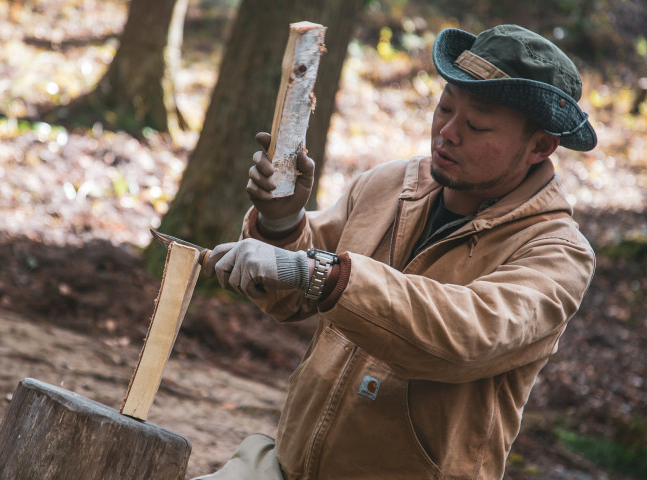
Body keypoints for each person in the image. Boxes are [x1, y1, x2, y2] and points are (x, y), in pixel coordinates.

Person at [195, 24, 597, 479]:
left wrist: (315, 273)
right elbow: (291, 297)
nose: (447, 132)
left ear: (540, 146)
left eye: (477, 124)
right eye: (444, 107)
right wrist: (282, 223)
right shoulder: (390, 184)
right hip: (286, 468)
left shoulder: (557, 254)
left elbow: (463, 336)